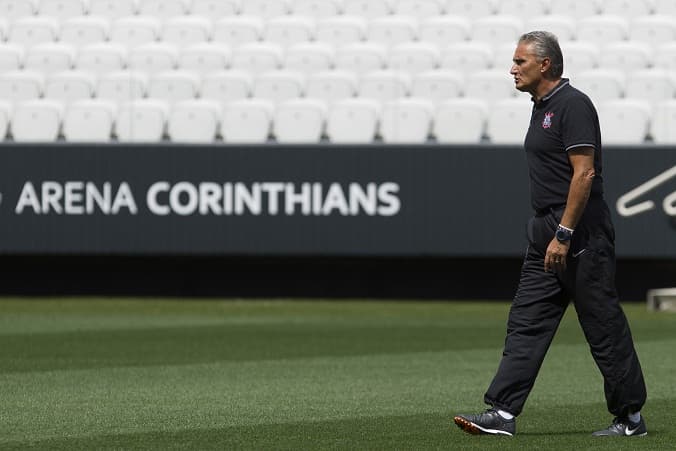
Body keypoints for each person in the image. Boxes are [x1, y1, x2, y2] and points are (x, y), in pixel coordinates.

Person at [453, 31, 647, 437]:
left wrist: (563, 233)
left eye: (520, 61)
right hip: (545, 229)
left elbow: (585, 173)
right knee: (527, 321)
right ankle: (503, 413)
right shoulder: (541, 105)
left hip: (578, 232)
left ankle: (630, 418)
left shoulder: (572, 105)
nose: (512, 69)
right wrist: (550, 233)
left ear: (545, 64)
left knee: (602, 326)